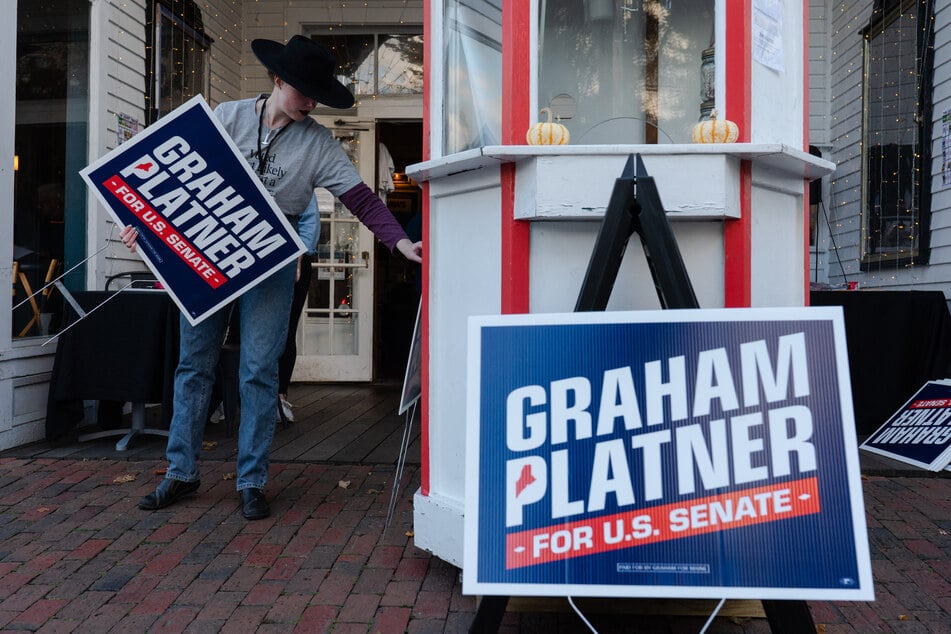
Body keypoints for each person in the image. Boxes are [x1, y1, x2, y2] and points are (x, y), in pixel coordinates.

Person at [124, 35, 422, 520]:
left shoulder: (319, 143)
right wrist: (140, 222)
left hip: (271, 268)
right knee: (193, 367)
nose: (312, 101)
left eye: (317, 93)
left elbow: (362, 200)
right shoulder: (226, 117)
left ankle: (252, 482)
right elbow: (166, 176)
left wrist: (399, 241)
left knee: (259, 372)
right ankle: (181, 473)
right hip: (207, 262)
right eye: (305, 90)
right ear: (278, 80)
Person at [277, 194, 319, 422]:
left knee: (286, 329)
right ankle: (225, 398)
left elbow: (310, 220)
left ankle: (280, 396)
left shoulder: (297, 179)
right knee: (237, 333)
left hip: (294, 259)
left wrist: (299, 257)